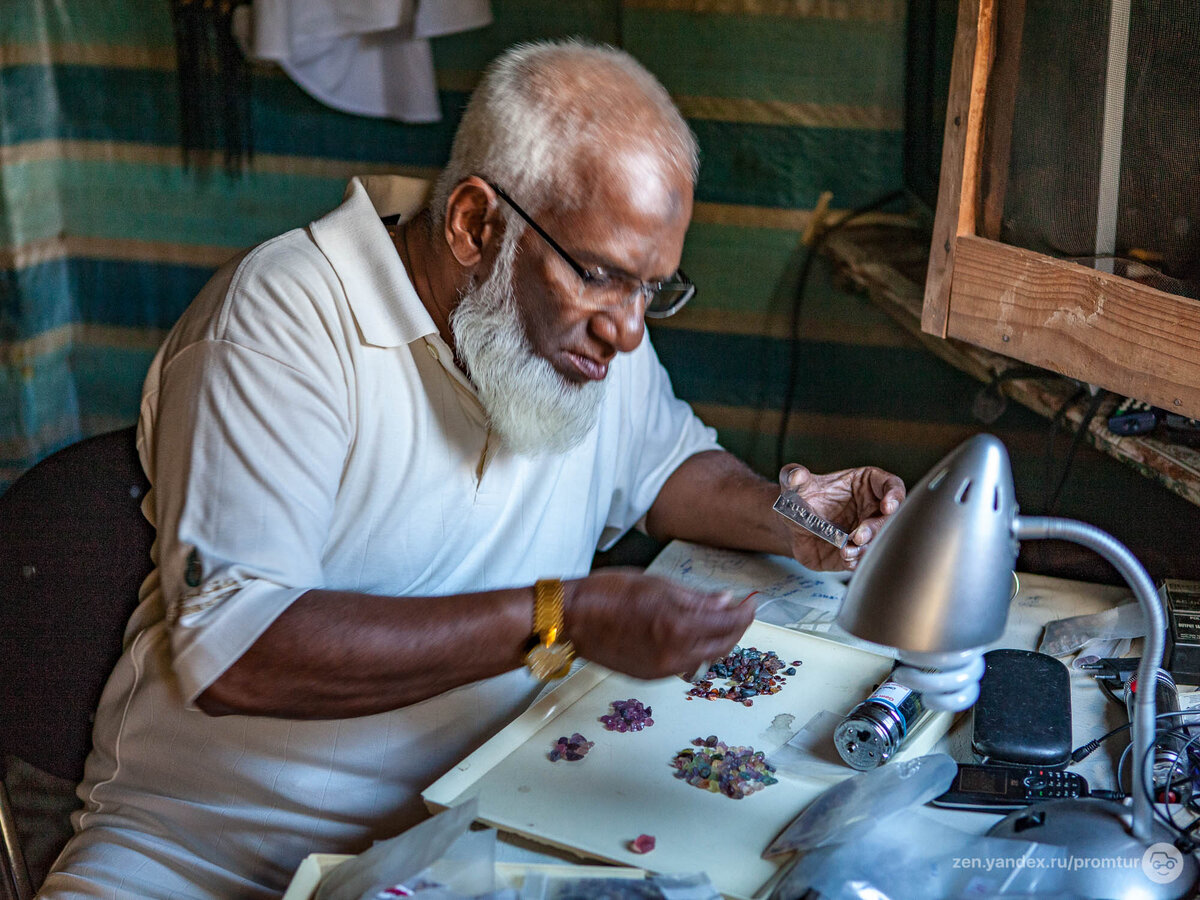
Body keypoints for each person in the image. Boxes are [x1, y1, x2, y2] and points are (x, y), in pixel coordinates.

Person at [40, 40, 905, 899]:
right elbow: (237, 656)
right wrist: (560, 620)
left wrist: (795, 514)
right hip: (204, 863)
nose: (631, 330)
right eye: (604, 276)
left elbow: (669, 469)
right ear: (474, 224)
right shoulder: (278, 324)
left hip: (476, 832)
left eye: (654, 288)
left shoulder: (586, 334)